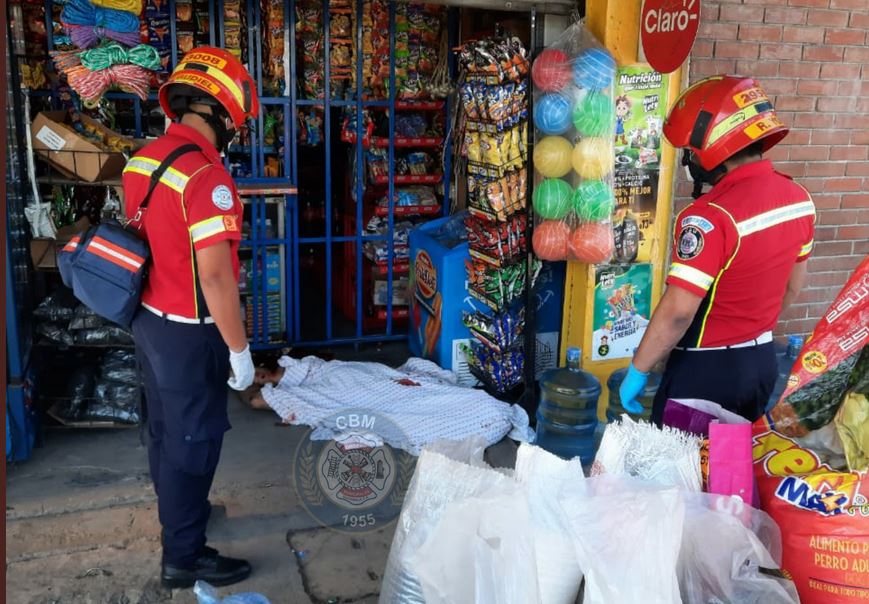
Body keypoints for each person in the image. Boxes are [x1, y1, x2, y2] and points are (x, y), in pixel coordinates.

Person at [122, 47, 259, 589]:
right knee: (193, 443)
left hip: (149, 320)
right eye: (235, 123)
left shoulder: (144, 158)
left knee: (164, 433)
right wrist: (241, 351)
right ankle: (183, 555)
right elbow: (218, 279)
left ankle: (182, 517)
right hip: (188, 331)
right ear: (223, 114)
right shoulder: (208, 177)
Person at [619, 75, 815, 425]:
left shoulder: (708, 217)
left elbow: (679, 312)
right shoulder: (799, 200)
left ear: (713, 148)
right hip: (762, 364)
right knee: (729, 473)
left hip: (705, 373)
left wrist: (639, 368)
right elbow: (792, 287)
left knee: (681, 475)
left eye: (690, 152)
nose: (688, 161)